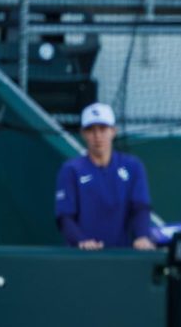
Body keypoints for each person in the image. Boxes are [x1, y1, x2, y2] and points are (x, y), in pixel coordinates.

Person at [54, 102, 155, 250]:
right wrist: (81, 241)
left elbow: (140, 207)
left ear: (113, 131)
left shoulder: (133, 166)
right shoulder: (71, 170)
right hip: (82, 256)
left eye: (103, 128)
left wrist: (142, 236)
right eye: (91, 130)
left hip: (122, 255)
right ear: (83, 133)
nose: (97, 136)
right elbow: (65, 216)